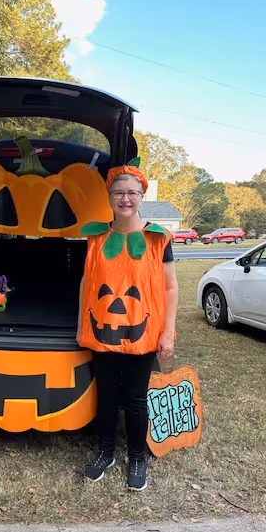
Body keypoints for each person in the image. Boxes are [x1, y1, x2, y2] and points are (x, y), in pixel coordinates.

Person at [77, 164, 178, 491]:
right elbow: (86, 283)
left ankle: (137, 457)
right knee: (105, 395)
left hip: (143, 333)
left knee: (135, 399)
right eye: (119, 192)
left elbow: (170, 288)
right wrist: (82, 325)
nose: (125, 198)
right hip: (102, 332)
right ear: (109, 196)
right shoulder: (95, 236)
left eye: (132, 192)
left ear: (141, 196)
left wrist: (167, 332)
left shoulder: (158, 238)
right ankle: (105, 452)